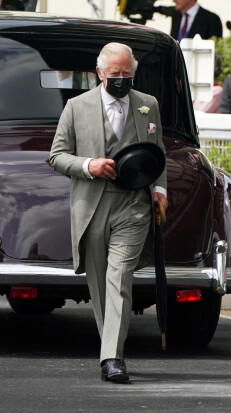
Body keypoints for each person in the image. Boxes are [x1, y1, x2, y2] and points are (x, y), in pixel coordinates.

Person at [49, 42, 168, 383]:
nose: (120, 79)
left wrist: (159, 191)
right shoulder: (76, 107)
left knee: (119, 280)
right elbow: (57, 155)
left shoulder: (148, 105)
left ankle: (113, 358)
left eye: (126, 74)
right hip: (92, 206)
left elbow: (157, 152)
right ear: (100, 73)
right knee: (100, 284)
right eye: (114, 74)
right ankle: (110, 347)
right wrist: (89, 165)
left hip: (134, 207)